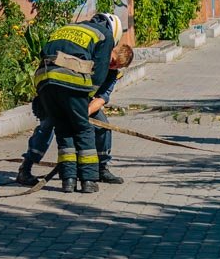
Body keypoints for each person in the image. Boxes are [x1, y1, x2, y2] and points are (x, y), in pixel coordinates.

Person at [28, 12, 124, 194]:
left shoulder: (68, 28)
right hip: (71, 82)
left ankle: (68, 181)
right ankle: (88, 180)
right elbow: (99, 74)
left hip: (44, 78)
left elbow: (44, 53)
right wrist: (84, 99)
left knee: (63, 130)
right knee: (82, 129)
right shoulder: (104, 35)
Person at [17, 41, 134, 187]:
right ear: (109, 53)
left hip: (84, 106)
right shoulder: (91, 59)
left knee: (103, 127)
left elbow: (101, 99)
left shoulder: (112, 75)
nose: (112, 66)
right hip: (61, 97)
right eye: (112, 61)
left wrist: (82, 114)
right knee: (47, 126)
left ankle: (101, 168)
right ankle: (26, 168)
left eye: (117, 66)